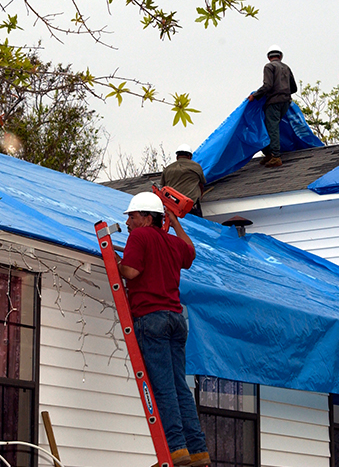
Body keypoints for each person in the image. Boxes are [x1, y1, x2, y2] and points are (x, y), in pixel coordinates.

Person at [116, 192, 210, 467]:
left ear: (147, 218)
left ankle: (176, 450)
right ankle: (198, 450)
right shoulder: (172, 243)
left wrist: (114, 263)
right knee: (180, 387)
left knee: (164, 387)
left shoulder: (140, 237)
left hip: (151, 317)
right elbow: (190, 251)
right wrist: (176, 223)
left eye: (132, 217)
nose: (129, 223)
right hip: (176, 319)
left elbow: (131, 272)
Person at [247, 44, 297, 168]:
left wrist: (255, 96)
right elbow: (294, 88)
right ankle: (269, 153)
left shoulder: (269, 67)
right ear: (280, 56)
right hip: (285, 102)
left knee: (271, 128)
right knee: (271, 127)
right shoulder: (286, 67)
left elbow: (267, 86)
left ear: (269, 57)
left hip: (274, 102)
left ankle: (275, 156)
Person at [160, 144, 206, 217]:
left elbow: (163, 188)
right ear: (190, 156)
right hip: (191, 206)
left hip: (173, 206)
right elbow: (201, 185)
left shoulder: (168, 169)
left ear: (177, 157)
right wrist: (200, 197)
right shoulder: (196, 167)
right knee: (197, 226)